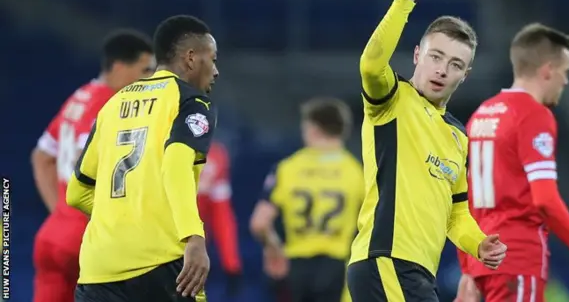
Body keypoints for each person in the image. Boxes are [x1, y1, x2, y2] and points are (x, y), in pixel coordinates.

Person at [346, 0, 508, 302]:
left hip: (416, 270)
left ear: (465, 75)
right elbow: (371, 64)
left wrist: (479, 243)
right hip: (387, 259)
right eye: (436, 57)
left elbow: (456, 214)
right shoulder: (393, 100)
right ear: (418, 55)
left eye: (455, 65)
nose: (442, 70)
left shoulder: (458, 137)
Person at [67, 15, 218, 302]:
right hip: (161, 266)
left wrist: (127, 216)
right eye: (212, 58)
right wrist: (193, 237)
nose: (216, 70)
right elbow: (175, 165)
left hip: (98, 270)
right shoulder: (191, 101)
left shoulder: (113, 103)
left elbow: (76, 192)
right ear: (190, 58)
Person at [455, 23, 569, 302]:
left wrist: (467, 269)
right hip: (517, 256)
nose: (566, 81)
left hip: (482, 258)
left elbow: (463, 201)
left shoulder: (481, 115)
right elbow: (545, 199)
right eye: (565, 71)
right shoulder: (534, 116)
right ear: (547, 69)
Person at [31, 29, 154, 302]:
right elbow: (90, 162)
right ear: (120, 68)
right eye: (145, 70)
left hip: (52, 235)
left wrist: (61, 211)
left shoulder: (81, 96)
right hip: (86, 242)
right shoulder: (111, 104)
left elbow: (41, 156)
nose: (150, 79)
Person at [250, 98, 364, 302]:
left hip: (294, 267)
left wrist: (273, 247)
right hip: (337, 267)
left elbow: (259, 223)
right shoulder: (356, 172)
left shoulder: (288, 168)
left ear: (313, 128)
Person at [197, 141, 243, 296]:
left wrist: (231, 264)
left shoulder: (214, 157)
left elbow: (222, 217)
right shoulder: (158, 149)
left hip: (190, 253)